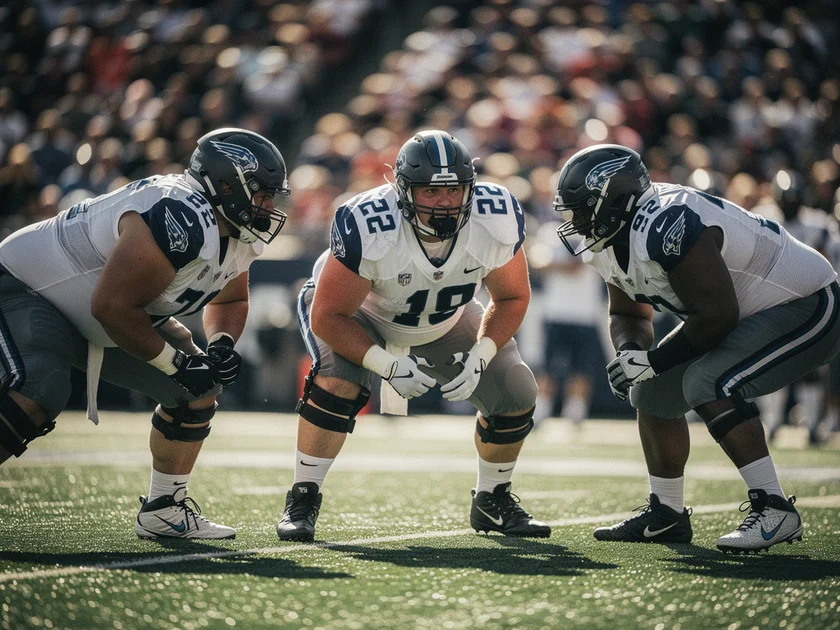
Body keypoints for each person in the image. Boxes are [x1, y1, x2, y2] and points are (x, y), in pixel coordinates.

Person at [0, 127, 291, 539]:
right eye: (261, 193)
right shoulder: (181, 213)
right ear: (225, 183)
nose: (267, 205)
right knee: (41, 388)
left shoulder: (234, 232)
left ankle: (163, 510)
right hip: (27, 286)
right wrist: (175, 363)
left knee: (197, 391)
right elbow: (113, 307)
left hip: (96, 312)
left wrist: (221, 344)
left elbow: (229, 301)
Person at [553, 144, 840, 553]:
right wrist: (632, 354)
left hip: (807, 303)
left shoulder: (668, 223)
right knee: (650, 392)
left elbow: (717, 316)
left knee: (709, 381)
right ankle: (666, 514)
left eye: (583, 209)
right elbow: (629, 315)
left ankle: (774, 506)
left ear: (616, 200)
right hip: (743, 313)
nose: (577, 222)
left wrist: (653, 361)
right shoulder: (612, 236)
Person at [277, 130, 549, 542]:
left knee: (515, 389)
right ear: (404, 189)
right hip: (360, 315)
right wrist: (385, 364)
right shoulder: (369, 221)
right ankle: (303, 495)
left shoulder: (494, 216)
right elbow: (330, 316)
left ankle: (492, 500)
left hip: (443, 318)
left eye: (454, 190)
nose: (444, 201)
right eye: (430, 191)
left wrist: (481, 354)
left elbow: (512, 297)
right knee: (338, 383)